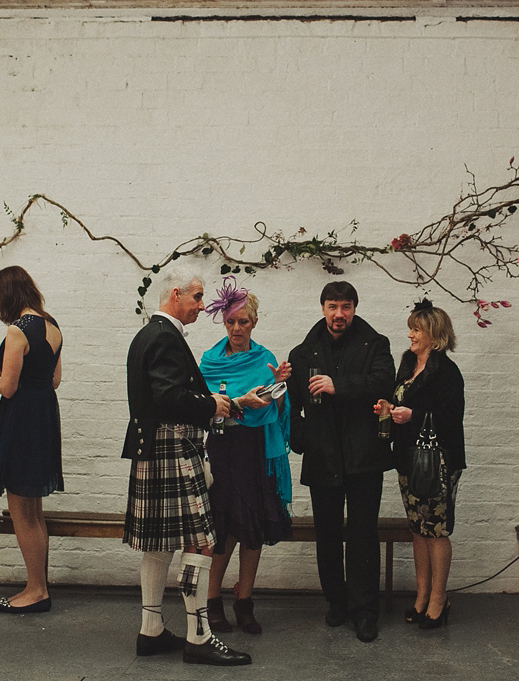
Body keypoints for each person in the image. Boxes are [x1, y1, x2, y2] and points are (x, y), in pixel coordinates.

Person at [123, 267, 251, 666]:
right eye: (196, 297)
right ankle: (199, 636)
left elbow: (168, 393)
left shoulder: (148, 334)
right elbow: (169, 396)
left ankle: (151, 630)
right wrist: (210, 404)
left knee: (159, 544)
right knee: (202, 543)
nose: (201, 305)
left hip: (155, 447)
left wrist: (220, 404)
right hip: (172, 445)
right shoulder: (164, 336)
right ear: (175, 295)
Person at [288, 281, 395, 643]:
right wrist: (301, 439)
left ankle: (365, 612)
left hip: (364, 456)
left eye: (346, 307)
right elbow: (292, 405)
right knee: (328, 536)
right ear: (322, 308)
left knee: (363, 535)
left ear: (354, 309)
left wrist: (338, 385)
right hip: (322, 457)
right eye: (333, 306)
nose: (339, 314)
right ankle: (337, 603)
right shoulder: (302, 353)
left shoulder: (375, 344)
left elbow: (384, 383)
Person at [197, 278, 293, 635]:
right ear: (224, 322)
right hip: (223, 450)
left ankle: (245, 601)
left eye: (244, 322)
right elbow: (203, 408)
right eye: (231, 322)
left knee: (253, 528)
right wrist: (235, 405)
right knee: (222, 529)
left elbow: (278, 409)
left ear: (254, 322)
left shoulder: (266, 359)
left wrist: (280, 387)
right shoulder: (209, 362)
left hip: (256, 450)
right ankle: (212, 600)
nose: (237, 328)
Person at [375, 300, 465, 630]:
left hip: (438, 462)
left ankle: (440, 598)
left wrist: (413, 416)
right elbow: (402, 403)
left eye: (417, 328)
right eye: (411, 327)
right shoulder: (408, 364)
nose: (410, 334)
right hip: (408, 459)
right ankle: (422, 595)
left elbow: (452, 419)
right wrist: (389, 407)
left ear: (434, 335)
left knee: (436, 530)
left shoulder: (446, 371)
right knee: (418, 530)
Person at [0, 265, 63, 613]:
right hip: (44, 415)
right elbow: (54, 379)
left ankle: (35, 590)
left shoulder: (18, 331)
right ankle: (39, 586)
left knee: (21, 510)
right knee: (34, 510)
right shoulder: (51, 325)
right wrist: (7, 374)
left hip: (21, 421)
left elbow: (8, 388)